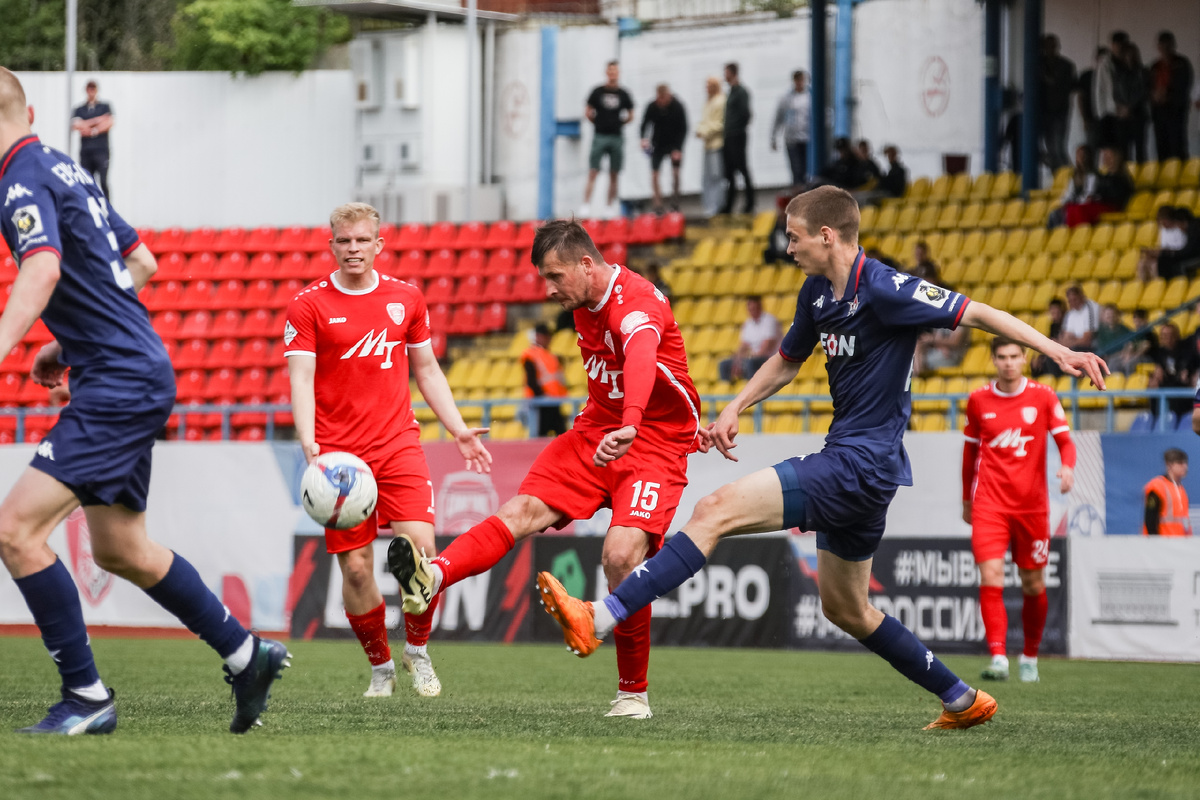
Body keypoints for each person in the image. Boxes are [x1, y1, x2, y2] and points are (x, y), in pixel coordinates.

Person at [535, 185, 1108, 730]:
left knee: (713, 511)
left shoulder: (886, 288)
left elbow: (978, 312)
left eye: (794, 237)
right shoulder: (815, 294)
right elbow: (787, 361)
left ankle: (600, 616)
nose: (787, 247)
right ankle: (962, 697)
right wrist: (735, 406)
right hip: (859, 466)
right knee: (847, 609)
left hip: (862, 462)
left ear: (828, 236)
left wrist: (1060, 351)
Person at [0, 67, 289, 735]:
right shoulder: (67, 169)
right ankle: (247, 657)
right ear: (33, 109)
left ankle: (87, 697)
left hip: (120, 378)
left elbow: (42, 269)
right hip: (129, 366)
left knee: (16, 530)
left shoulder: (15, 180)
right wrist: (69, 342)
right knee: (122, 547)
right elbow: (143, 263)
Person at [387, 219, 702, 720]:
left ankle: (633, 695)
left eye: (555, 276)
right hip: (595, 431)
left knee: (620, 558)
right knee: (520, 510)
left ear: (586, 264)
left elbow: (642, 357)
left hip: (651, 442)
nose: (549, 289)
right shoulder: (580, 304)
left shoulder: (635, 303)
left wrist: (636, 421)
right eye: (544, 278)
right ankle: (432, 577)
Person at [285, 202, 490, 699]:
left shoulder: (406, 299)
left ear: (379, 245)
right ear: (331, 245)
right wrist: (309, 439)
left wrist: (458, 429)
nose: (353, 249)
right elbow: (301, 378)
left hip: (398, 444)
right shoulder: (308, 305)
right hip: (340, 459)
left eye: (362, 241)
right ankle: (380, 667)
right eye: (344, 241)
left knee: (422, 553)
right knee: (356, 569)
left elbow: (427, 370)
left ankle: (417, 652)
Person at [963, 337, 1076, 684]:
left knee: (1032, 583)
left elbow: (1066, 442)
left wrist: (1068, 467)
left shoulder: (1043, 396)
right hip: (989, 505)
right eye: (1002, 357)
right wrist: (965, 499)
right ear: (994, 360)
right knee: (991, 576)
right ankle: (998, 657)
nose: (1008, 363)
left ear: (1024, 359)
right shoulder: (979, 400)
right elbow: (969, 455)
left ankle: (1029, 656)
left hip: (1032, 508)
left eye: (1014, 356)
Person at [582, 61, 634, 218]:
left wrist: (619, 123)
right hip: (600, 135)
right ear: (606, 72)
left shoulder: (624, 94)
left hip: (616, 137)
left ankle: (609, 206)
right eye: (610, 71)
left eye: (615, 71)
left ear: (618, 73)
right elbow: (588, 111)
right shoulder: (597, 92)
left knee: (614, 173)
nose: (613, 74)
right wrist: (598, 123)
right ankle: (585, 204)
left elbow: (630, 115)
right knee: (593, 171)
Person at [639, 84, 688, 214]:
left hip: (673, 144)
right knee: (655, 174)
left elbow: (683, 128)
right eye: (659, 100)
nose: (661, 103)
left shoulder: (677, 106)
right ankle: (658, 205)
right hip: (658, 144)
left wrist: (678, 148)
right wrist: (643, 138)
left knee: (676, 173)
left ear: (668, 96)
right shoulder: (652, 106)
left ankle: (675, 204)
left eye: (663, 99)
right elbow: (644, 123)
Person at [1061, 145, 1133, 228]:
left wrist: (1098, 197)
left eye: (1109, 157)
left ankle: (1084, 234)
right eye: (1105, 157)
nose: (1106, 160)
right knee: (1071, 209)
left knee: (1081, 210)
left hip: (1112, 206)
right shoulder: (1104, 176)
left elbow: (1117, 196)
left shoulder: (1121, 178)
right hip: (1101, 203)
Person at [1149, 32, 1194, 161]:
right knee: (1161, 145)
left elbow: (1184, 85)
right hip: (1158, 111)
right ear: (1158, 47)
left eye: (1168, 46)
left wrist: (1167, 95)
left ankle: (1180, 176)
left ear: (1173, 46)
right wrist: (1154, 95)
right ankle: (1164, 177)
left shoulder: (1182, 63)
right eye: (1162, 47)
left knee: (1177, 145)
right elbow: (1147, 86)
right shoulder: (1154, 66)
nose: (1165, 50)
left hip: (1175, 110)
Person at [718, 296, 781, 382]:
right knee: (724, 365)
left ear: (760, 307)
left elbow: (767, 347)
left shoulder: (769, 321)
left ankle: (751, 390)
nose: (752, 312)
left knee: (750, 363)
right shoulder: (748, 324)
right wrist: (737, 362)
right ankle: (727, 390)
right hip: (753, 357)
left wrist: (747, 360)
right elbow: (743, 346)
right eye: (750, 309)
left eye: (754, 309)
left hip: (769, 358)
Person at [522, 323, 568, 437]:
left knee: (561, 435)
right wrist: (541, 395)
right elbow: (531, 380)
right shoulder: (530, 355)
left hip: (554, 401)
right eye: (546, 336)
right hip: (540, 403)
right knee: (540, 436)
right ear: (538, 336)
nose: (549, 339)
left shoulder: (551, 356)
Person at [70, 80, 113, 199]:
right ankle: (90, 211)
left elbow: (109, 122)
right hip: (86, 152)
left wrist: (91, 129)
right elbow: (76, 125)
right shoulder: (80, 109)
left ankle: (108, 212)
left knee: (103, 182)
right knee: (87, 182)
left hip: (102, 151)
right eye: (89, 89)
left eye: (93, 88)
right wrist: (98, 120)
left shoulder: (104, 106)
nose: (91, 91)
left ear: (97, 90)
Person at [721, 62, 754, 215]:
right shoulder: (731, 91)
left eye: (726, 72)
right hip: (728, 136)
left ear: (732, 73)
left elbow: (746, 114)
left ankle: (750, 202)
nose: (724, 76)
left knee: (742, 168)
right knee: (729, 172)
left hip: (737, 136)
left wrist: (737, 128)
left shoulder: (741, 92)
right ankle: (729, 205)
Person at [1040, 35, 1077, 172]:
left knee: (1058, 147)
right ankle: (1058, 176)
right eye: (1047, 46)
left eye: (1052, 46)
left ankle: (1064, 178)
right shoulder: (1038, 64)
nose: (1050, 49)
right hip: (1044, 112)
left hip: (1060, 111)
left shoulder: (1066, 66)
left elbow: (1069, 87)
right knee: (1049, 148)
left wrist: (1052, 82)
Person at [1146, 322, 1197, 419]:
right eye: (1164, 335)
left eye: (1171, 335)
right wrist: (1155, 377)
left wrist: (1188, 372)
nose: (1168, 338)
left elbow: (1189, 368)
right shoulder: (1159, 353)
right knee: (1153, 386)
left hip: (1183, 387)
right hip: (1166, 385)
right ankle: (1155, 419)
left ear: (1176, 335)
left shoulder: (1186, 350)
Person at [771, 70, 811, 187]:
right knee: (796, 169)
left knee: (807, 169)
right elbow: (778, 118)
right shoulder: (787, 98)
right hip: (792, 139)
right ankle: (799, 194)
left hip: (807, 138)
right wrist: (773, 137)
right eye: (797, 80)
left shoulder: (810, 96)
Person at [695, 76, 726, 218]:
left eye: (708, 85)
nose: (706, 88)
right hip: (707, 145)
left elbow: (720, 123)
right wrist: (700, 129)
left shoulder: (720, 101)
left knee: (716, 177)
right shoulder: (708, 102)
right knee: (707, 177)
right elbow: (705, 121)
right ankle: (708, 206)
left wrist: (705, 131)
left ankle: (717, 205)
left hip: (716, 144)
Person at [1142, 449, 1191, 536]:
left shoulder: (1180, 488)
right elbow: (1150, 518)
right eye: (1180, 463)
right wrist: (1155, 542)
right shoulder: (1157, 486)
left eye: (1185, 463)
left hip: (1181, 543)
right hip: (1164, 543)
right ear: (1169, 465)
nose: (1185, 467)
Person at [1047, 145, 1096, 229]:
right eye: (1078, 155)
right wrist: (1063, 203)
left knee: (1070, 212)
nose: (1078, 158)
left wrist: (1076, 202)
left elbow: (1089, 194)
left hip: (1081, 205)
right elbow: (1069, 193)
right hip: (1073, 203)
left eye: (1081, 155)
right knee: (1054, 214)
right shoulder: (1074, 175)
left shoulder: (1092, 175)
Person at [1078, 48, 1107, 149]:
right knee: (1091, 147)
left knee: (1108, 148)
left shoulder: (1110, 76)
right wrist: (1084, 118)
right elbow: (1081, 98)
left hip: (1108, 117)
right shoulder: (1087, 76)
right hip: (1091, 117)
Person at [1031, 297, 1067, 377]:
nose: (1054, 314)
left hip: (1062, 355)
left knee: (1050, 360)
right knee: (1036, 363)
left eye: (1056, 311)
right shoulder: (1052, 326)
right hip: (1053, 352)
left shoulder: (1067, 324)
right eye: (1052, 311)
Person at [1061, 284, 1100, 352]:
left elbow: (1087, 340)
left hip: (1092, 347)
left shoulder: (1091, 309)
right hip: (1075, 346)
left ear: (1081, 297)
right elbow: (1066, 337)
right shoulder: (1070, 313)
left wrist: (1072, 341)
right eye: (1070, 301)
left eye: (1075, 300)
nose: (1073, 303)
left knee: (1073, 350)